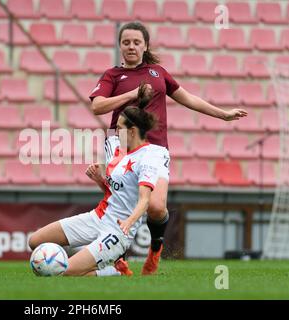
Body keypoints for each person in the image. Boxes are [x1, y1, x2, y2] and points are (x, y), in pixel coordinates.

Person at [89, 21, 248, 275]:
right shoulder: (112, 75)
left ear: (145, 45)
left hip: (154, 146)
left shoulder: (158, 72)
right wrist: (132, 95)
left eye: (136, 42)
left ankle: (155, 250)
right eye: (126, 42)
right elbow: (97, 106)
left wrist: (223, 115)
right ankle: (119, 259)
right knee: (120, 205)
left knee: (155, 206)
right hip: (120, 145)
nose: (131, 46)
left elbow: (189, 99)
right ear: (120, 46)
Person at [28, 89, 165, 276]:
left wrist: (129, 222)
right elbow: (114, 192)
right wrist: (99, 180)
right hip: (98, 217)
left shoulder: (148, 157)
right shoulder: (118, 149)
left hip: (118, 231)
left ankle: (112, 272)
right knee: (35, 241)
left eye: (120, 129)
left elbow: (145, 200)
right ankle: (94, 261)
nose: (116, 132)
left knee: (63, 272)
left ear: (132, 131)